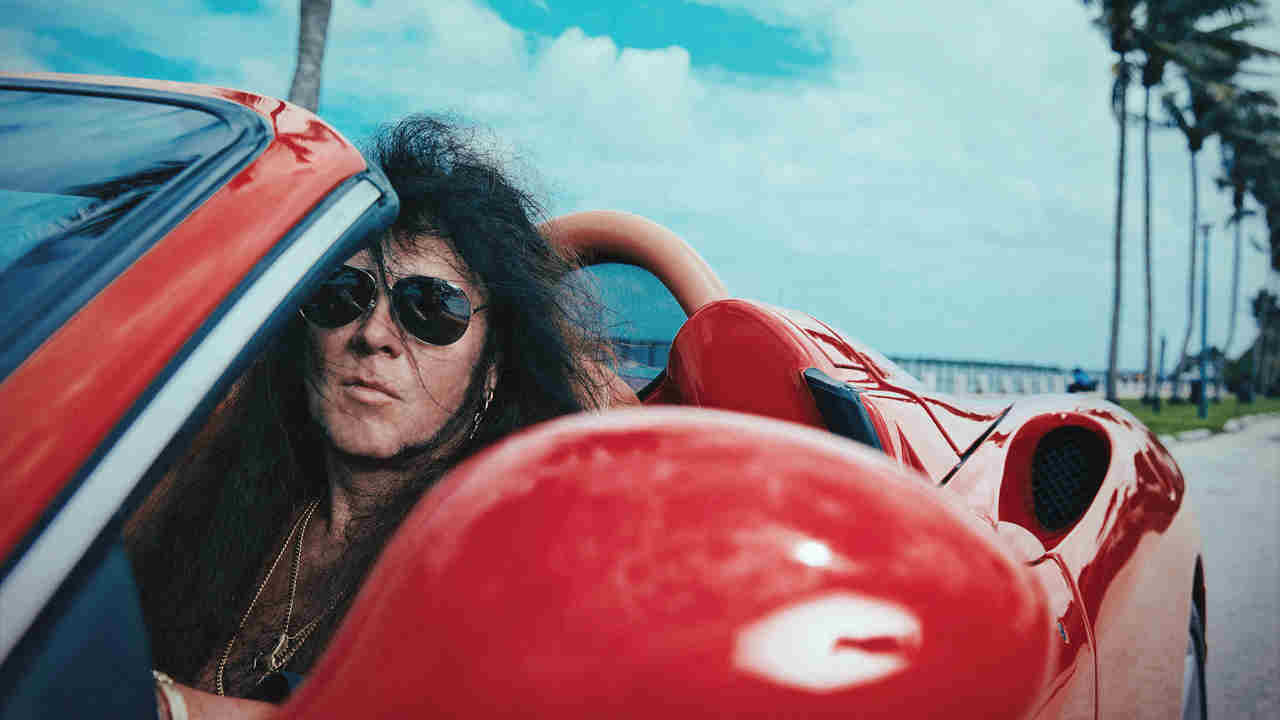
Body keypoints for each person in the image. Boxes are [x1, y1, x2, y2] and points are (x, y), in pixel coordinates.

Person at [124, 115, 617, 718]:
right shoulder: (216, 496)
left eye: (431, 308)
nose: (373, 333)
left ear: (493, 367)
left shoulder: (511, 565)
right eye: (344, 293)